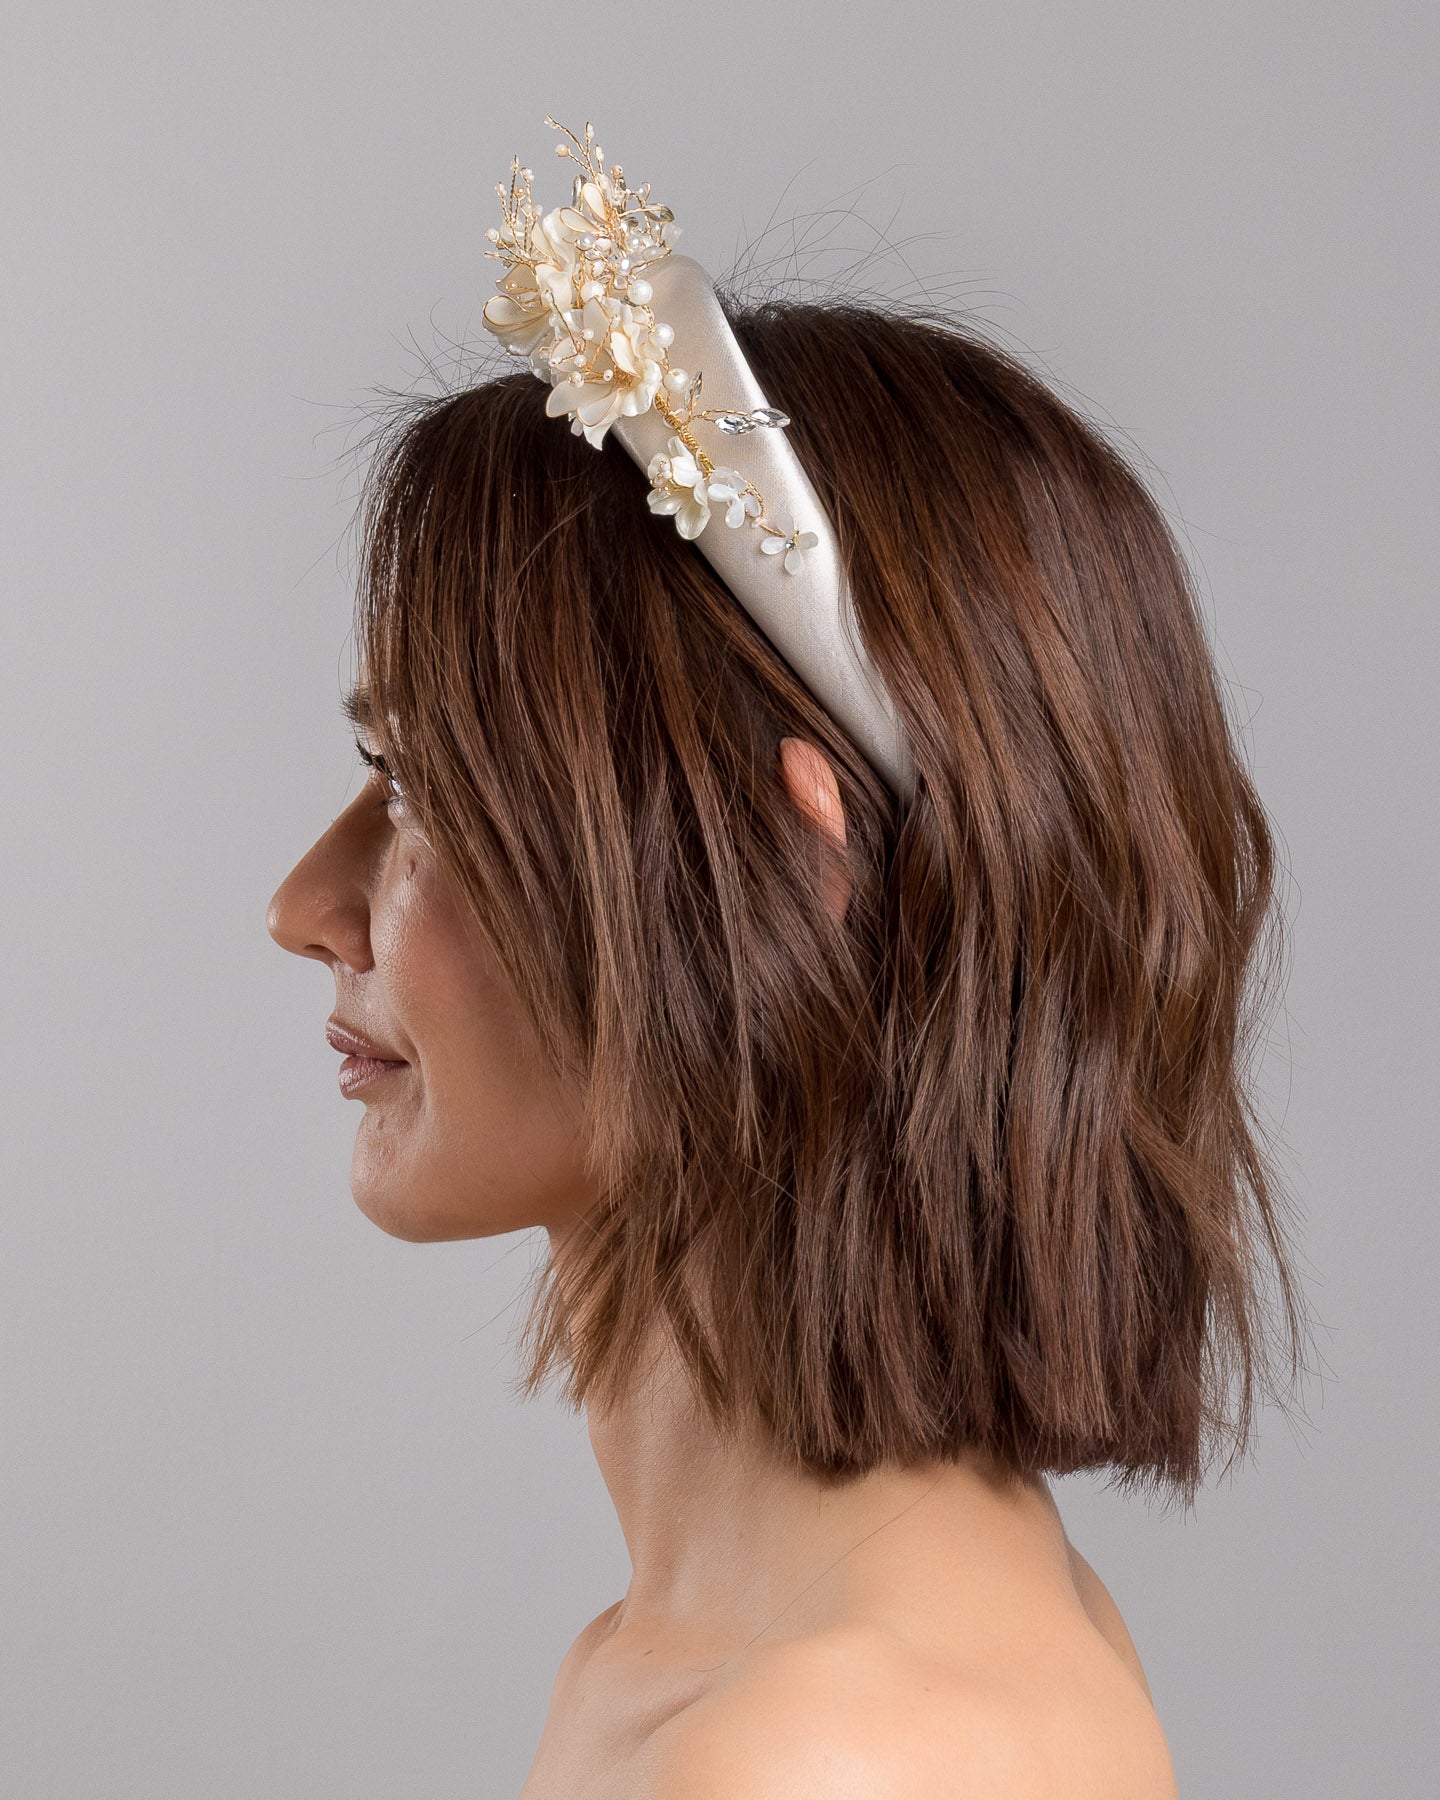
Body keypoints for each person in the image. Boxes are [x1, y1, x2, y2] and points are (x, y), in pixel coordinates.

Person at [267, 138, 1311, 1797]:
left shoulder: (812, 1752)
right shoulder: (728, 1668)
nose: (303, 905)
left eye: (422, 790)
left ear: (791, 859)